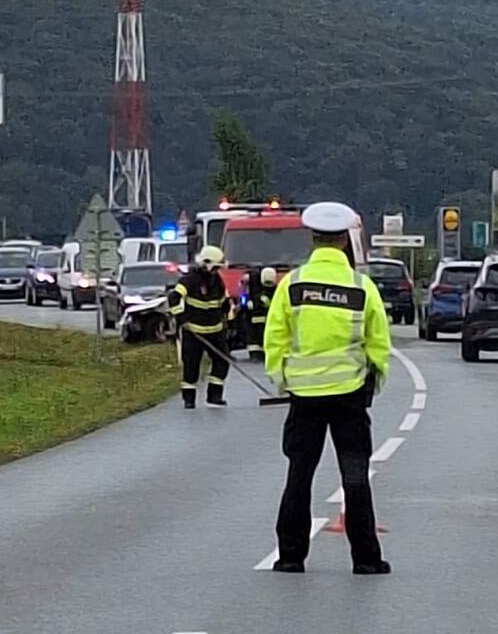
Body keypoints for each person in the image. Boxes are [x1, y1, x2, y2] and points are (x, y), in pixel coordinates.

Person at [264, 202, 392, 575]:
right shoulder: (360, 286)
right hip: (350, 398)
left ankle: (290, 557)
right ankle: (366, 559)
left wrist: (283, 378)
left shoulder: (293, 284)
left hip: (304, 398)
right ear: (344, 242)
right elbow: (378, 343)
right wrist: (373, 381)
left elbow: (275, 337)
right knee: (354, 477)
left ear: (313, 239)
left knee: (299, 476)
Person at [167, 245, 234, 409]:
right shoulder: (189, 280)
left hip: (215, 330)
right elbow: (174, 298)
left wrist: (228, 319)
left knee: (222, 362)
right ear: (206, 264)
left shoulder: (217, 281)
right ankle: (189, 399)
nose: (216, 270)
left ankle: (214, 396)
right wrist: (182, 320)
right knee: (191, 366)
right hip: (194, 331)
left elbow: (224, 301)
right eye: (215, 267)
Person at [245, 267, 278, 362]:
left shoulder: (275, 289)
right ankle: (255, 354)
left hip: (267, 322)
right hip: (255, 321)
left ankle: (260, 353)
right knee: (254, 337)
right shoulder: (254, 287)